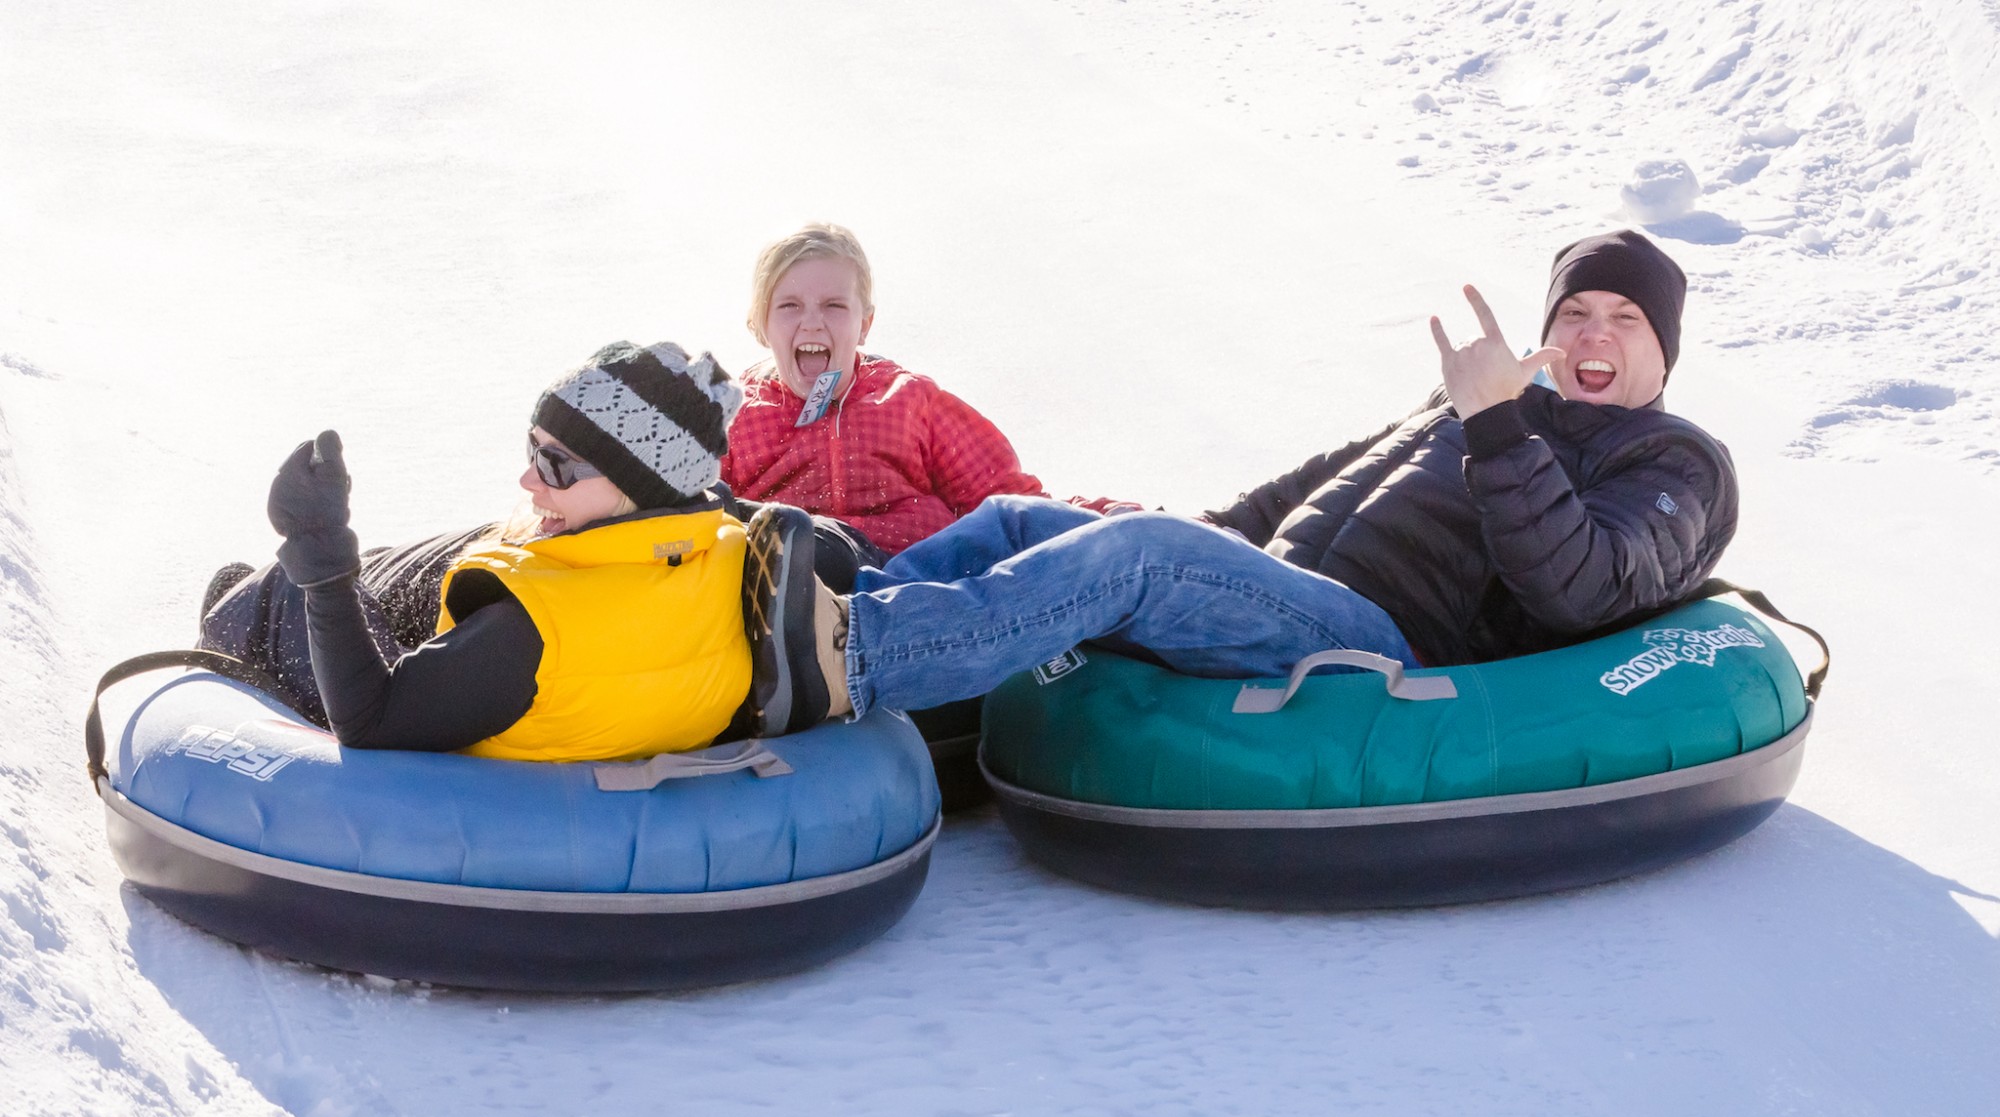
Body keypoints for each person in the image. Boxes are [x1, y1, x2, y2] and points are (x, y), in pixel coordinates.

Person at [734, 230, 1739, 738]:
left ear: (1662, 351)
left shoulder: (1672, 462)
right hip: (1283, 588)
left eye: (1623, 320)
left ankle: (847, 660)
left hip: (1386, 644)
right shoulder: (1494, 404)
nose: (1591, 336)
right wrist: (1206, 526)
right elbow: (1320, 481)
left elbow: (1581, 584)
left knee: (1139, 560)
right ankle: (817, 612)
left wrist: (1492, 423)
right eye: (1575, 313)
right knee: (1012, 521)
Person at [240, 341, 757, 760]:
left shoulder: (528, 634)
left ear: (636, 484)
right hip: (593, 679)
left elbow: (368, 723)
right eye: (533, 449)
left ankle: (229, 610)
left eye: (556, 464)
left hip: (489, 697)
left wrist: (317, 546)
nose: (528, 478)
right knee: (433, 560)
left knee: (277, 594)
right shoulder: (727, 545)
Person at [719, 223, 1133, 564]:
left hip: (915, 575)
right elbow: (695, 514)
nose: (811, 322)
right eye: (789, 306)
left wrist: (1111, 517)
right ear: (761, 324)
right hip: (802, 580)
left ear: (864, 324)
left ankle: (1144, 538)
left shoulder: (907, 401)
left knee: (1019, 537)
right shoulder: (735, 420)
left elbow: (1009, 499)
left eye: (834, 306)